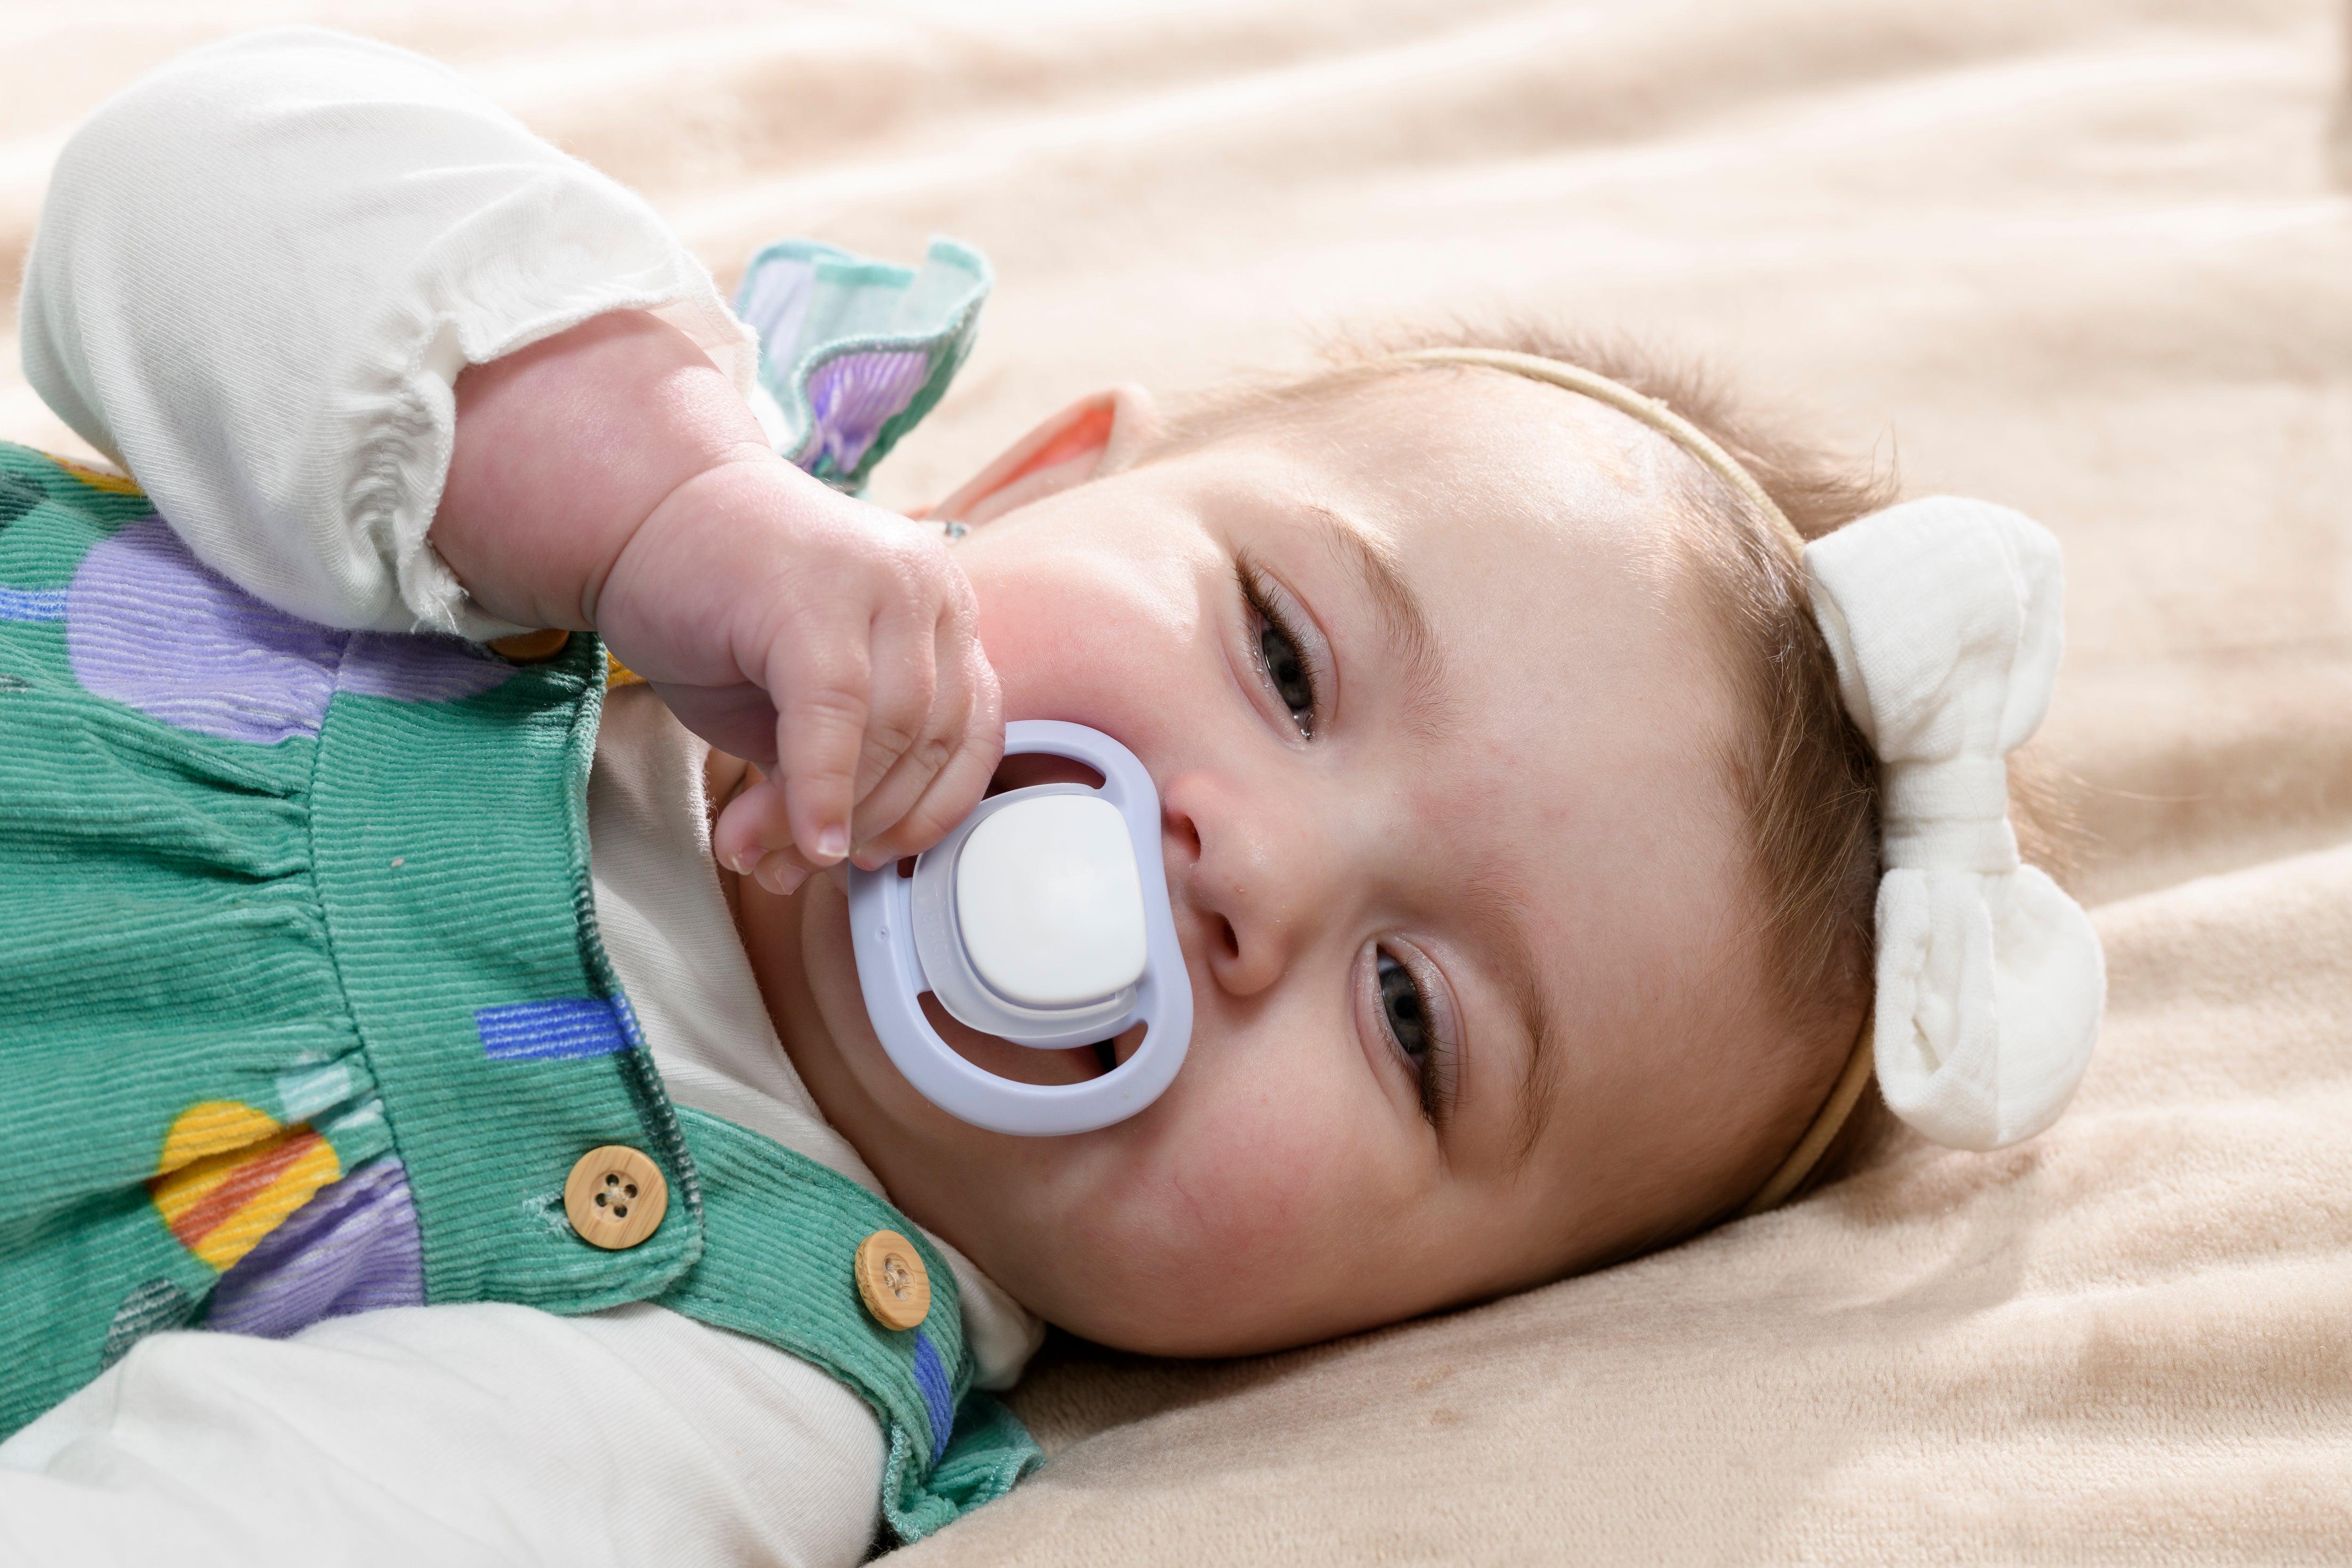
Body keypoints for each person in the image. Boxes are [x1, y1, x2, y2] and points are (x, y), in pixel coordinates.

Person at [0, 26, 2104, 1565]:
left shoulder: (706, 1403)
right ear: (1028, 479)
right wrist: (643, 489)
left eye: (1409, 1019)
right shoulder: (560, 474)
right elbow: (160, 190)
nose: (1247, 870)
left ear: (1354, 1329)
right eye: (1281, 656)